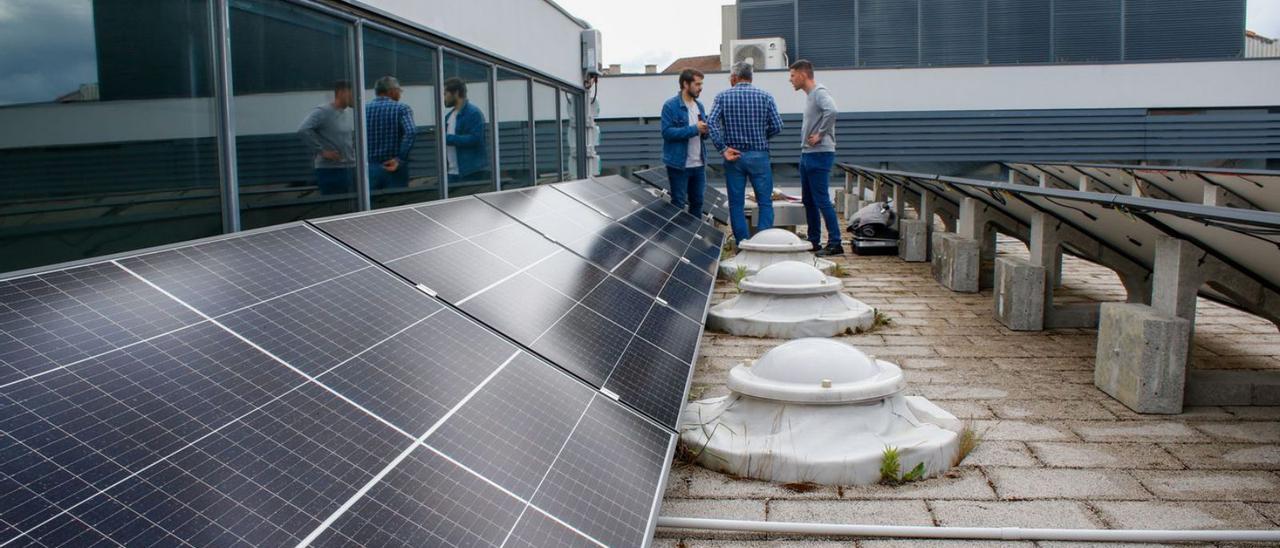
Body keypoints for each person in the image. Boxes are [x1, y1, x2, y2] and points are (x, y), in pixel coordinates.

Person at [707, 61, 783, 245]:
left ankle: (743, 243)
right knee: (765, 202)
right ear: (751, 77)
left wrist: (723, 149)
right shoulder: (766, 96)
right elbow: (778, 126)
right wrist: (761, 137)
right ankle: (764, 243)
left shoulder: (722, 97)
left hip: (734, 156)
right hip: (759, 156)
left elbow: (711, 123)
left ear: (734, 77)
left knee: (736, 204)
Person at [789, 59, 843, 256]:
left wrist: (820, 134)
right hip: (807, 154)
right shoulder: (811, 96)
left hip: (819, 154)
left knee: (821, 199)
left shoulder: (819, 92)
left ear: (803, 75)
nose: (790, 80)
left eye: (793, 75)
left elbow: (833, 110)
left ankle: (835, 242)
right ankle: (814, 240)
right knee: (809, 200)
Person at [660, 68, 708, 216]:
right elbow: (667, 133)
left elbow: (702, 135)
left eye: (701, 84)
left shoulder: (699, 106)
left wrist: (706, 131)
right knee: (678, 204)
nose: (701, 87)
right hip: (679, 165)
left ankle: (695, 238)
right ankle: (677, 239)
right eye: (697, 84)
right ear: (686, 84)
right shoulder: (670, 106)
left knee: (698, 203)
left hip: (698, 165)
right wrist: (695, 129)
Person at [297, 80, 355, 194]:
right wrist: (322, 151)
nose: (356, 97)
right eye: (353, 93)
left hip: (348, 167)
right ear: (342, 92)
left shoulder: (346, 113)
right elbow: (303, 129)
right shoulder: (323, 111)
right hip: (330, 170)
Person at [366, 76, 416, 190]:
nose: (400, 94)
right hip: (393, 167)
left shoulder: (363, 110)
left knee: (373, 205)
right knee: (397, 204)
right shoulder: (402, 108)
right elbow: (411, 132)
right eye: (399, 90)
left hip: (370, 167)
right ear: (392, 91)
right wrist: (400, 159)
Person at [443, 77, 490, 188]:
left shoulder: (473, 113)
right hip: (451, 173)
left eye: (445, 94)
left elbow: (475, 139)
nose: (444, 98)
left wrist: (446, 138)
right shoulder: (448, 117)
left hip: (470, 171)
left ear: (456, 93)